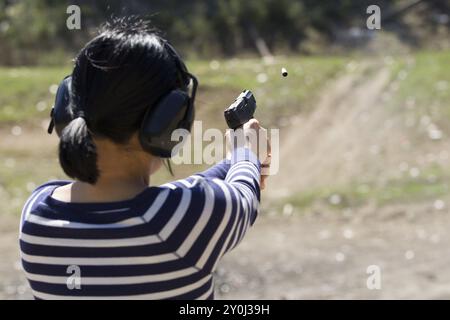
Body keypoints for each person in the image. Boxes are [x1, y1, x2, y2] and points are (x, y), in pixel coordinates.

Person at [19, 17, 270, 300]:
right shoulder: (188, 218)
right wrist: (246, 150)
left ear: (67, 110)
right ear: (167, 122)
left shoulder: (37, 216)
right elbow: (242, 197)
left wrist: (233, 162)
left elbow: (180, 200)